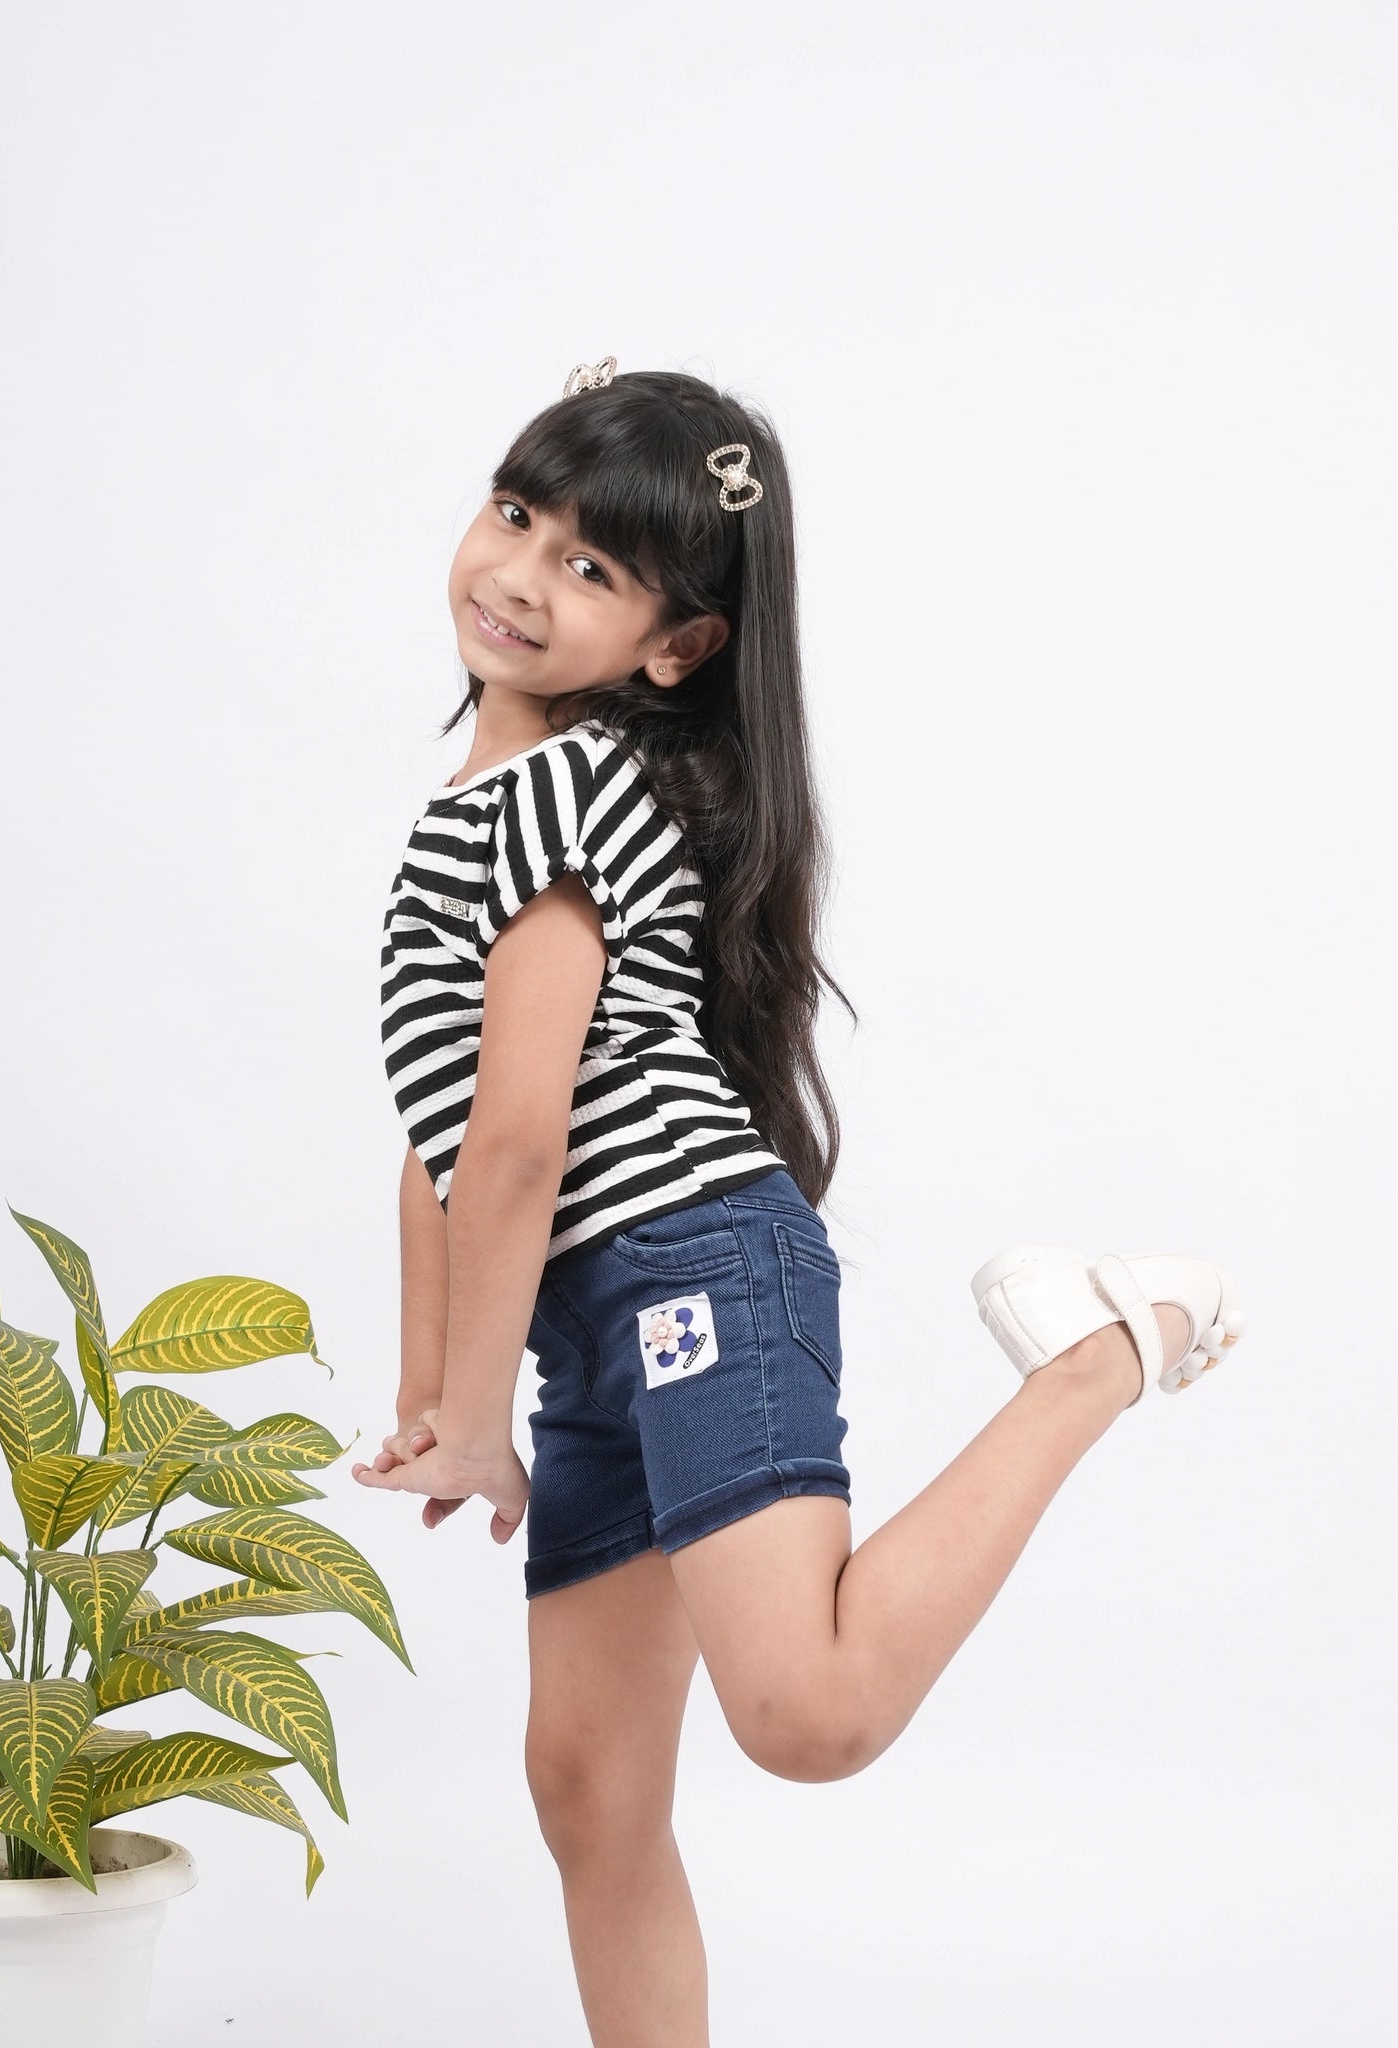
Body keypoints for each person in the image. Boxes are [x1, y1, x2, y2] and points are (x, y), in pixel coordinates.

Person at [352, 360, 1248, 2047]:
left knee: (809, 1715)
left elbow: (524, 1142)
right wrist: (438, 1403)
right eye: (516, 513)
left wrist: (470, 1420)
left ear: (677, 645)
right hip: (594, 1323)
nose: (521, 573)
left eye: (592, 567)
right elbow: (442, 1145)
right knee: (589, 1787)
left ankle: (1104, 1352)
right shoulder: (468, 814)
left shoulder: (563, 793)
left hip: (685, 1260)